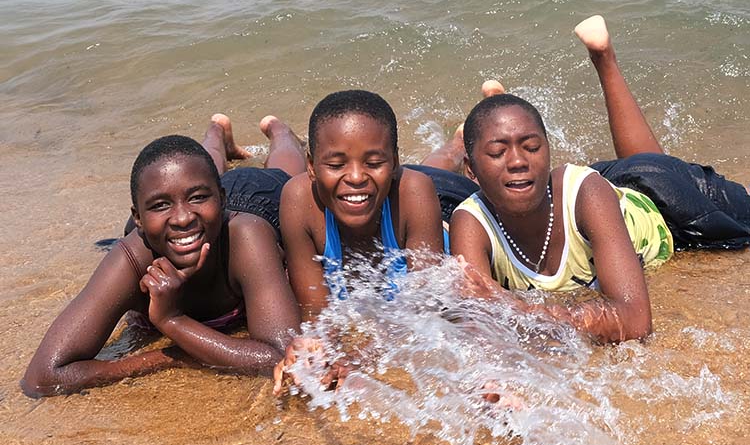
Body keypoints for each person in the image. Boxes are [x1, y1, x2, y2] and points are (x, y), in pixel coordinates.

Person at [451, 15, 750, 344]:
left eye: (531, 147)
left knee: (656, 166)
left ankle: (603, 57)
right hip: (605, 192)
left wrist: (512, 307)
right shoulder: (470, 220)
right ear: (471, 171)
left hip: (666, 203)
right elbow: (478, 327)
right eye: (498, 152)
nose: (519, 161)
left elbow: (635, 321)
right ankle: (493, 115)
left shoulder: (587, 193)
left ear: (549, 153)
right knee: (637, 163)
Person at [21, 114, 305, 397]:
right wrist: (165, 357)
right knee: (187, 173)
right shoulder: (132, 258)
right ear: (139, 218)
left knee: (285, 175)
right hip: (205, 208)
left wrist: (173, 322)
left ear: (221, 200)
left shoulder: (246, 238)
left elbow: (282, 357)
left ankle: (277, 130)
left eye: (198, 198)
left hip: (256, 200)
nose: (181, 218)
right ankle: (217, 132)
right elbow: (42, 378)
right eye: (160, 205)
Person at [271, 90, 479, 394]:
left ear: (394, 162)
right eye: (336, 164)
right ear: (312, 166)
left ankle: (458, 143)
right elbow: (315, 313)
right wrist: (311, 353)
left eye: (374, 161)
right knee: (427, 165)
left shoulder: (415, 192)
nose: (356, 176)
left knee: (439, 166)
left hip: (442, 204)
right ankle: (278, 131)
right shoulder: (299, 200)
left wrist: (358, 357)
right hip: (383, 192)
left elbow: (424, 307)